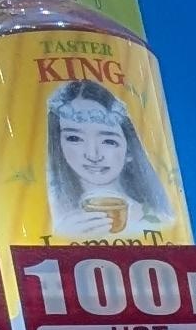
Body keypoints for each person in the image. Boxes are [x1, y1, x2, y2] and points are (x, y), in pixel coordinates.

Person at [43, 78, 178, 241]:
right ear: (59, 145)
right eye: (74, 138)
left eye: (108, 141)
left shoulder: (160, 221)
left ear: (129, 150)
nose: (93, 155)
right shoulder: (55, 220)